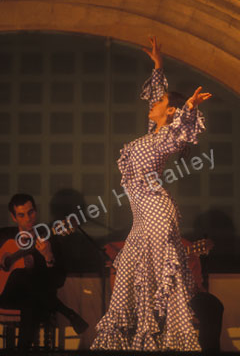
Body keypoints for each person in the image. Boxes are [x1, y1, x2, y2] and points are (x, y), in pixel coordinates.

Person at [91, 36, 212, 351]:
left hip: (157, 213)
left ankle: (175, 339)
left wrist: (187, 107)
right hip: (142, 218)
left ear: (169, 111)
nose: (152, 104)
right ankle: (142, 338)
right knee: (131, 271)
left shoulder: (165, 140)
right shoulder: (152, 134)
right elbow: (158, 100)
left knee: (162, 277)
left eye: (159, 104)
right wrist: (158, 65)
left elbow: (178, 129)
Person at [0, 193, 88, 354]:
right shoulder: (4, 236)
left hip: (36, 299)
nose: (28, 218)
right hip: (6, 295)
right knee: (19, 275)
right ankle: (68, 313)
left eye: (31, 212)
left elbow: (58, 281)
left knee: (30, 301)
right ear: (13, 217)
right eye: (21, 215)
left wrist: (48, 256)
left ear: (36, 211)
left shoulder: (49, 238)